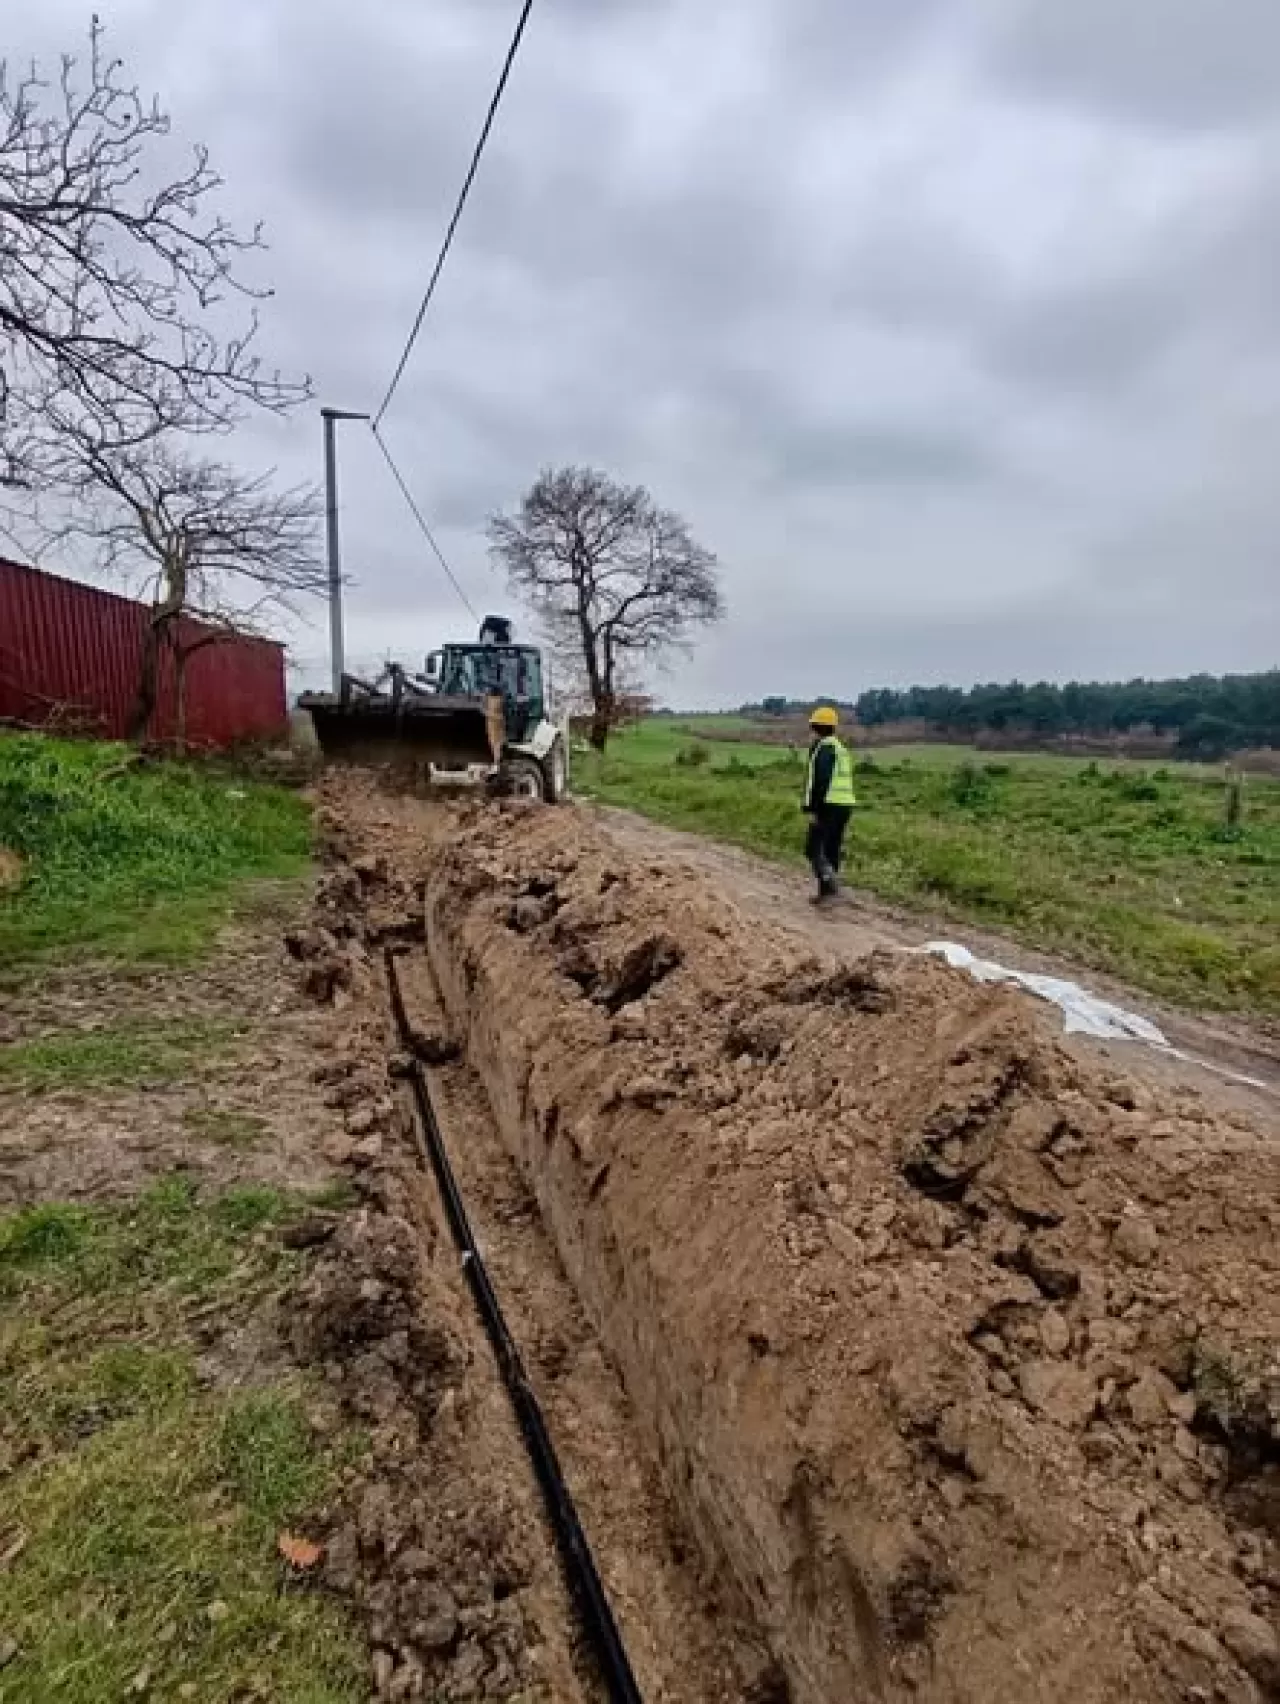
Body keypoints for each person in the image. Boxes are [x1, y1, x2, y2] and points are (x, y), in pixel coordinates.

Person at [803, 705, 855, 903]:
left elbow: (821, 781)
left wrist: (814, 809)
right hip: (844, 805)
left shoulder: (823, 748)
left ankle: (831, 888)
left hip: (828, 805)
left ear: (815, 726)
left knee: (813, 848)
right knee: (831, 848)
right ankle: (826, 893)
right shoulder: (839, 747)